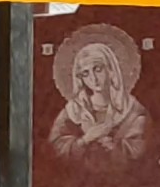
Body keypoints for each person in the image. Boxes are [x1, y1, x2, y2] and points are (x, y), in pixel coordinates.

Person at [49, 34, 149, 168]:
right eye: (85, 73)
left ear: (111, 70)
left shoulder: (132, 110)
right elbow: (56, 147)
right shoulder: (74, 110)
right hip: (77, 177)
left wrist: (112, 146)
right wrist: (86, 139)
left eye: (97, 69)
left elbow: (140, 151)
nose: (93, 78)